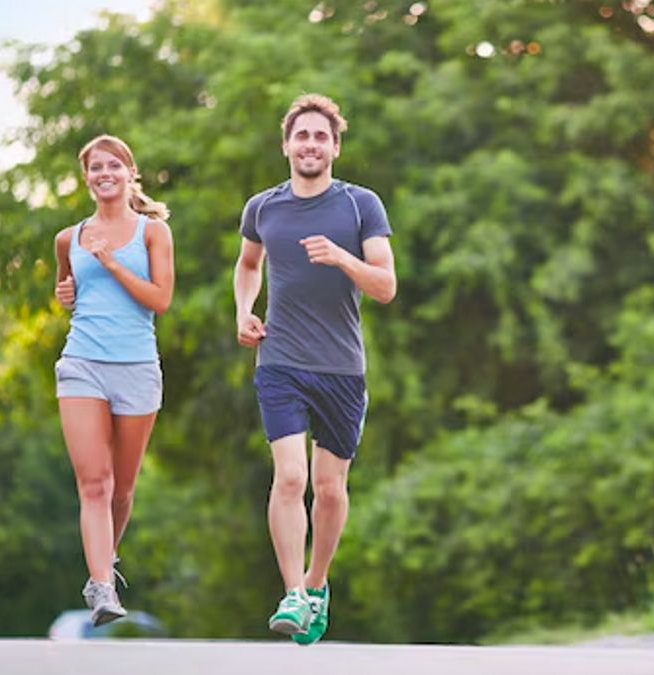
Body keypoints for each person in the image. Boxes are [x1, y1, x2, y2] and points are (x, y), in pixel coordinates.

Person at [233, 93, 395, 644]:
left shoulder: (359, 206)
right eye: (301, 135)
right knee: (291, 477)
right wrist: (243, 310)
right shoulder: (263, 208)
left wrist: (342, 257)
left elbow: (386, 286)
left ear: (335, 147)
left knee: (329, 489)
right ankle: (293, 595)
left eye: (320, 136)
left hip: (343, 369)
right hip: (280, 361)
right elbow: (248, 264)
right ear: (286, 145)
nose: (310, 144)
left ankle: (317, 582)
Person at [53, 134, 175, 627]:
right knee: (95, 483)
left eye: (114, 165)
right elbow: (67, 290)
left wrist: (110, 263)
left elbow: (160, 299)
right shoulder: (69, 237)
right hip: (81, 362)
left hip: (137, 367)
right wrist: (64, 293)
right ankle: (102, 586)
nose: (105, 173)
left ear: (130, 173)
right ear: (86, 179)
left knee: (122, 489)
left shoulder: (153, 233)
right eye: (96, 167)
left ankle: (106, 562)